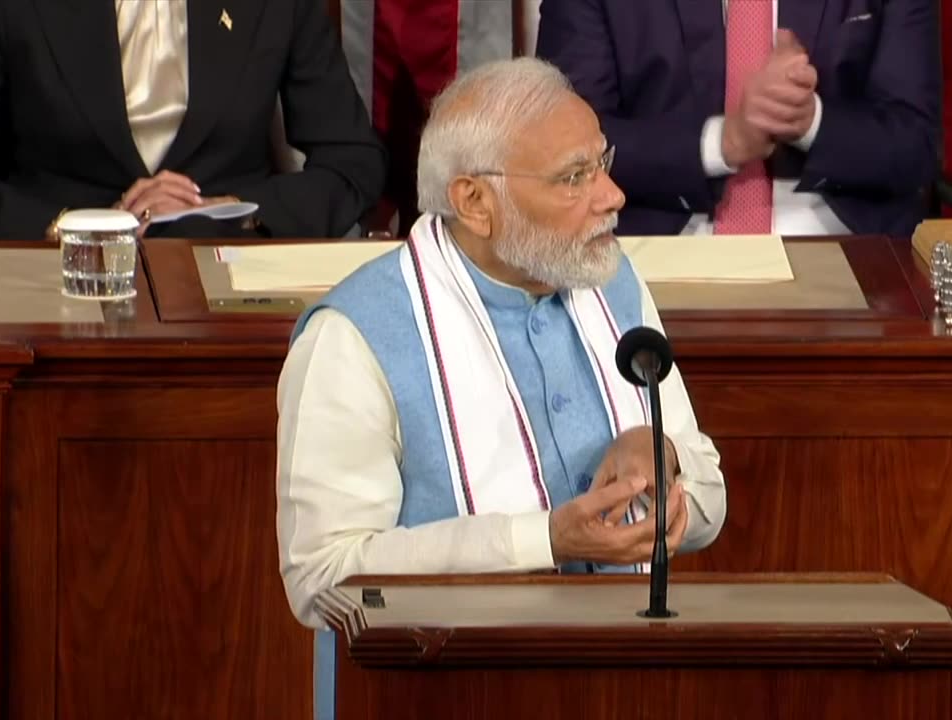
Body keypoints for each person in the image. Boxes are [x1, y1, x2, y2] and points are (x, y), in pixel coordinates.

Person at [275, 58, 727, 634]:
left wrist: (661, 455)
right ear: (474, 202)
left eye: (603, 164)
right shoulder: (353, 336)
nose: (612, 195)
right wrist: (545, 540)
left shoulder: (613, 285)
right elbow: (323, 578)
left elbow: (710, 500)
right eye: (574, 177)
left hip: (625, 676)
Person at [0, 0, 386, 240]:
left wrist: (236, 211)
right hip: (53, 268)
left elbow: (352, 162)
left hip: (228, 271)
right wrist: (76, 227)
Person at [535, 0, 942, 239]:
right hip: (656, 243)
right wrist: (721, 144)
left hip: (843, 247)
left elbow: (915, 143)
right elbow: (560, 147)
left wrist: (808, 120)